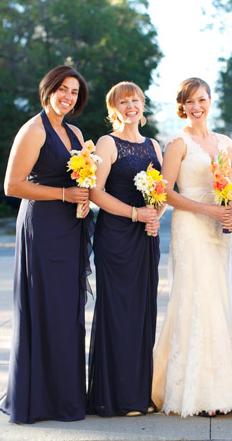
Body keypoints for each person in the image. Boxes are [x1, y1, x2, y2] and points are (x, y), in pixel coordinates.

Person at [0, 65, 93, 424]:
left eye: (74, 93)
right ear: (49, 90)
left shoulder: (74, 131)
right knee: (44, 307)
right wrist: (65, 194)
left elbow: (81, 179)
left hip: (71, 227)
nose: (68, 97)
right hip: (43, 227)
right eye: (63, 90)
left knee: (67, 311)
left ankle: (65, 397)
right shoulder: (33, 129)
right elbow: (13, 185)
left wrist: (82, 198)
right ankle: (36, 398)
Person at [151, 77, 232, 418]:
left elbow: (227, 188)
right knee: (194, 298)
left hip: (218, 231)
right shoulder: (177, 142)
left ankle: (219, 389)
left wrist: (230, 209)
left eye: (202, 100)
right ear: (182, 105)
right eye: (190, 101)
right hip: (190, 227)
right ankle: (191, 391)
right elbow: (164, 192)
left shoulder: (224, 143)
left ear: (211, 101)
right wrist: (207, 209)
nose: (196, 107)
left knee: (216, 300)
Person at [87, 82, 163, 417]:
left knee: (143, 313)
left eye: (135, 100)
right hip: (116, 238)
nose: (130, 106)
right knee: (119, 313)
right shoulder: (108, 142)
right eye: (123, 102)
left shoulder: (154, 146)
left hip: (146, 237)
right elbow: (95, 192)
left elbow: (161, 192)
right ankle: (116, 396)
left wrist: (155, 216)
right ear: (113, 109)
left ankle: (139, 392)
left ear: (142, 105)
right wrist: (134, 213)